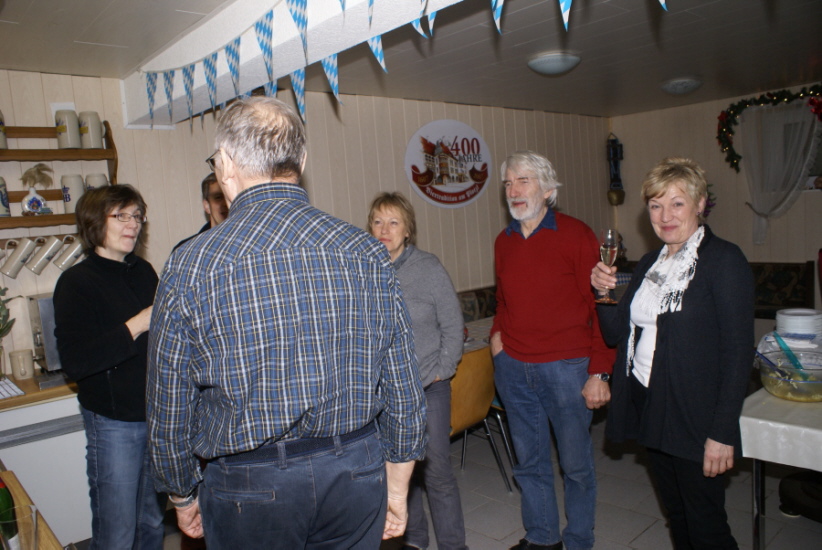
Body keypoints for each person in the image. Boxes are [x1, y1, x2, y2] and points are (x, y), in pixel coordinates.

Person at [146, 96, 427, 549]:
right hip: (356, 470)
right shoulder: (366, 251)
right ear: (302, 161)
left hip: (249, 486)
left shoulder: (191, 264)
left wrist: (180, 492)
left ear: (226, 165)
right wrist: (397, 486)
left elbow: (168, 403)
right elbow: (403, 384)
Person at [591, 158, 754, 550]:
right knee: (677, 514)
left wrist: (722, 433)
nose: (665, 216)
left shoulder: (723, 260)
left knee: (706, 523)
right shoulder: (651, 263)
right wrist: (603, 293)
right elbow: (616, 335)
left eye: (677, 203)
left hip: (696, 412)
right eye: (656, 205)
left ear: (700, 204)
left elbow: (737, 353)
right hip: (651, 401)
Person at [490, 150, 614, 550]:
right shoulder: (504, 241)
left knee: (576, 467)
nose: (513, 190)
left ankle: (578, 540)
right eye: (508, 183)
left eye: (523, 181)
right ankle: (542, 538)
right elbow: (503, 301)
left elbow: (600, 306)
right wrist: (497, 341)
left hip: (567, 369)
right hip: (514, 368)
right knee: (529, 464)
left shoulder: (576, 234)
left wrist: (599, 371)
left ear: (547, 190)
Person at [53, 184, 165, 550]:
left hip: (154, 417)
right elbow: (76, 362)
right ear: (94, 222)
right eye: (122, 216)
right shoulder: (76, 282)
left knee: (152, 524)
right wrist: (136, 325)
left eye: (137, 216)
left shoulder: (144, 271)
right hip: (114, 424)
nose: (133, 224)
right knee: (117, 534)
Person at [368, 192, 466, 550]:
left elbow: (453, 326)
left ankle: (454, 545)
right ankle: (414, 541)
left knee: (437, 472)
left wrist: (443, 369)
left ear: (407, 230)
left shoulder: (428, 267)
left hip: (428, 386)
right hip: (387, 394)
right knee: (398, 471)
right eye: (378, 222)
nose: (385, 229)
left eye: (394, 222)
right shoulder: (366, 270)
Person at [173, 173, 228, 251]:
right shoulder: (185, 250)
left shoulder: (245, 242)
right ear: (207, 206)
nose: (225, 203)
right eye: (218, 197)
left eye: (228, 197)